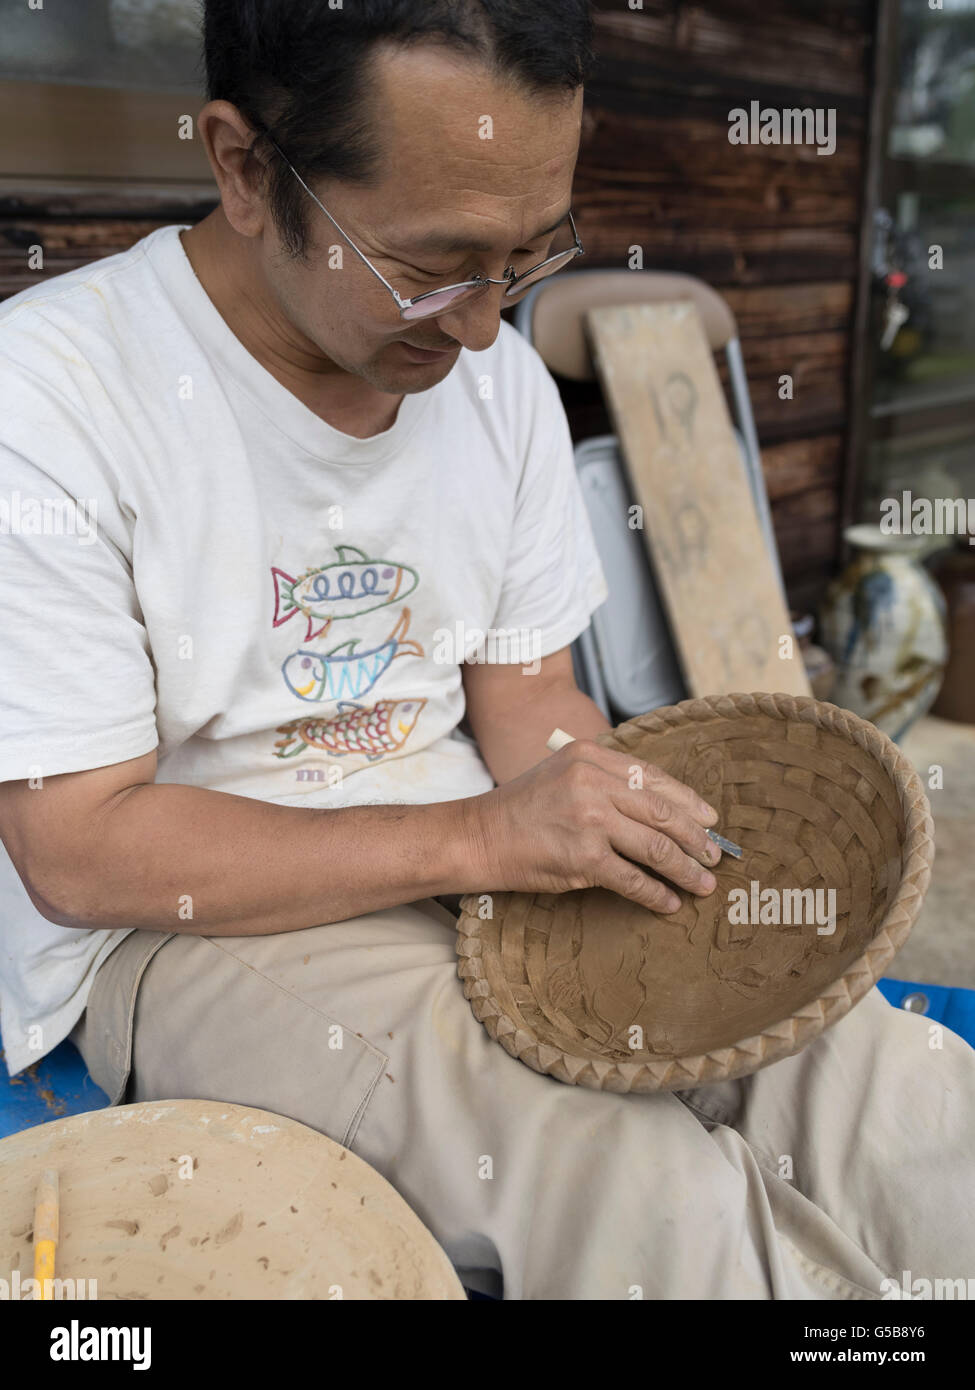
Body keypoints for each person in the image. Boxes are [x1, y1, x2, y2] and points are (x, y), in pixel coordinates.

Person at [0, 0, 972, 1300]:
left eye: (527, 254)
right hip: (187, 921)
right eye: (431, 263)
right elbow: (79, 847)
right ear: (242, 166)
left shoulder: (495, 379)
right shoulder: (54, 393)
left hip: (490, 850)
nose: (477, 331)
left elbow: (527, 697)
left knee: (879, 1087)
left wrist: (645, 832)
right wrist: (483, 839)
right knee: (629, 1191)